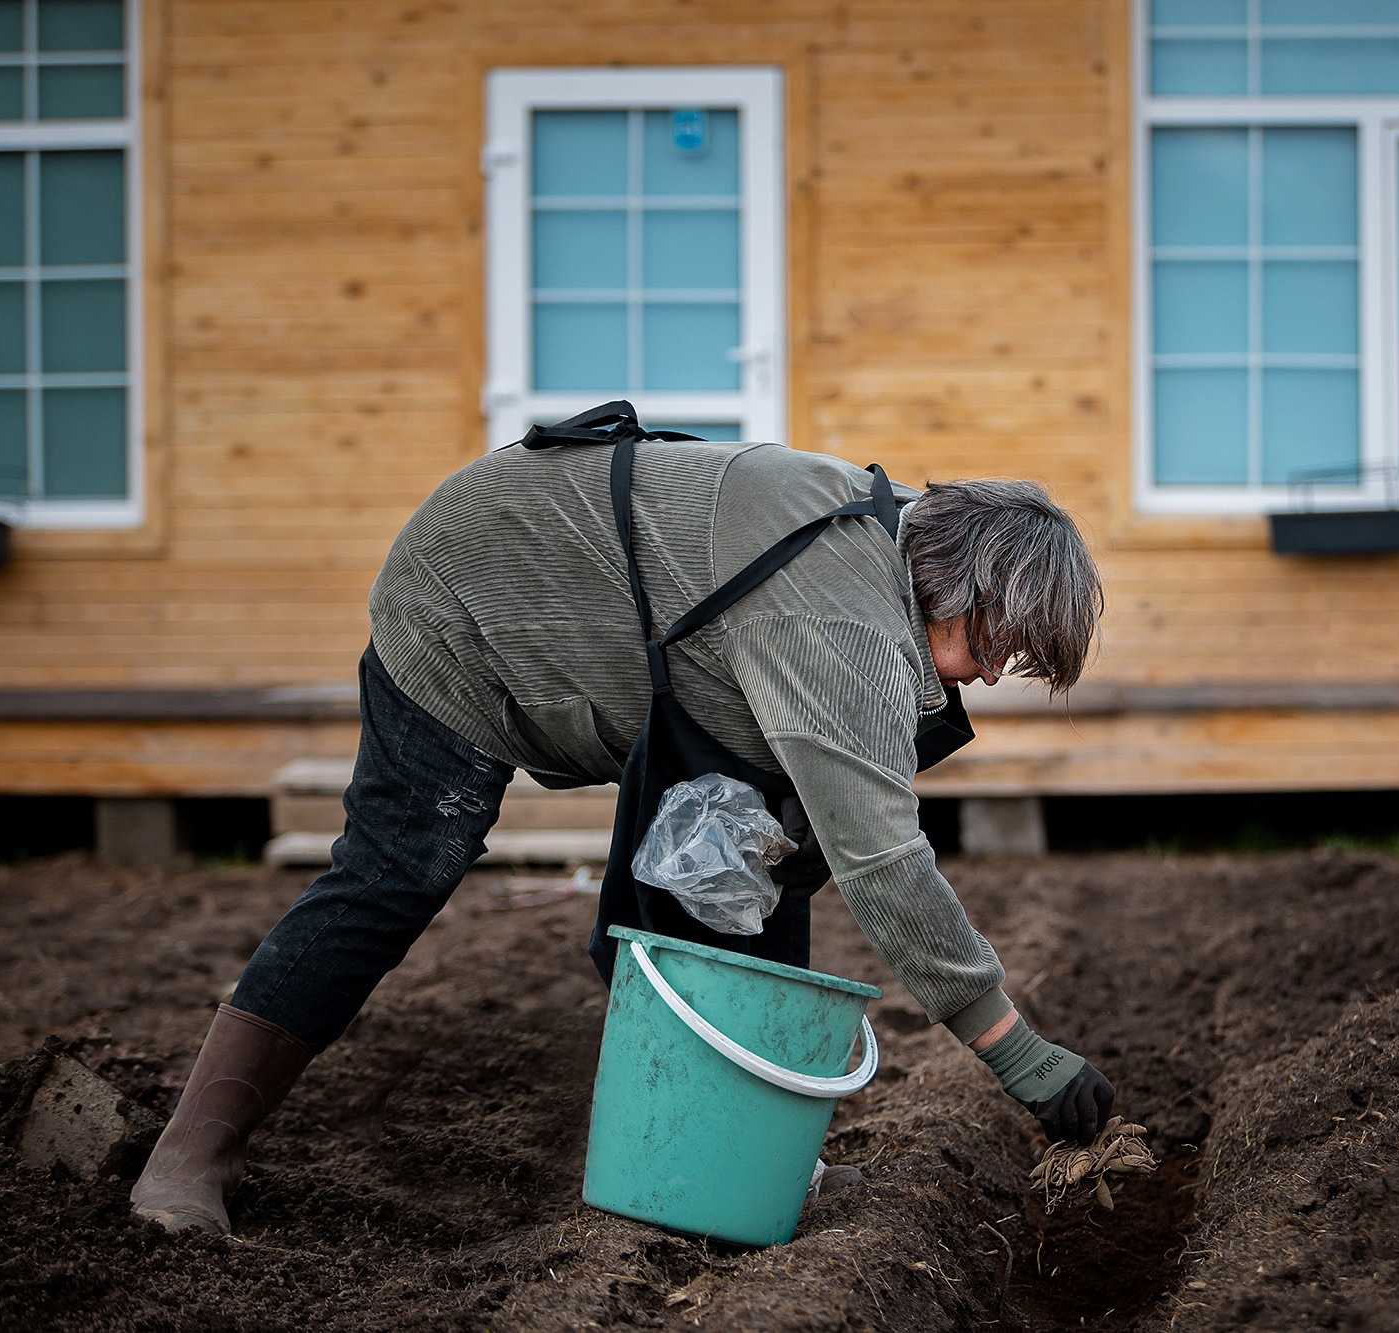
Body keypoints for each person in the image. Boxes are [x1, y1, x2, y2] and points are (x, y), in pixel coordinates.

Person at [130, 404, 1114, 1235]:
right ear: (962, 580)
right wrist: (1018, 1054)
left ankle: (731, 1165)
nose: (989, 676)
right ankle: (187, 1160)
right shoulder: (835, 614)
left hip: (619, 639)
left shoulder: (883, 565)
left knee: (752, 873)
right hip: (469, 602)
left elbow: (807, 852)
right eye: (994, 644)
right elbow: (885, 861)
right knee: (399, 868)